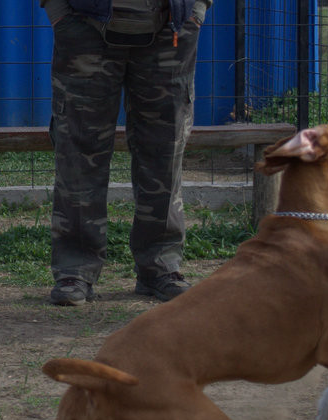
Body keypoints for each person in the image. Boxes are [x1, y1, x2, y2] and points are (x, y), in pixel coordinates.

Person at [40, 0, 212, 306]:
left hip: (169, 28)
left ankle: (160, 265)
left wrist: (197, 9)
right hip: (84, 26)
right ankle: (75, 269)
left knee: (165, 147)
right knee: (79, 150)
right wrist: (58, 11)